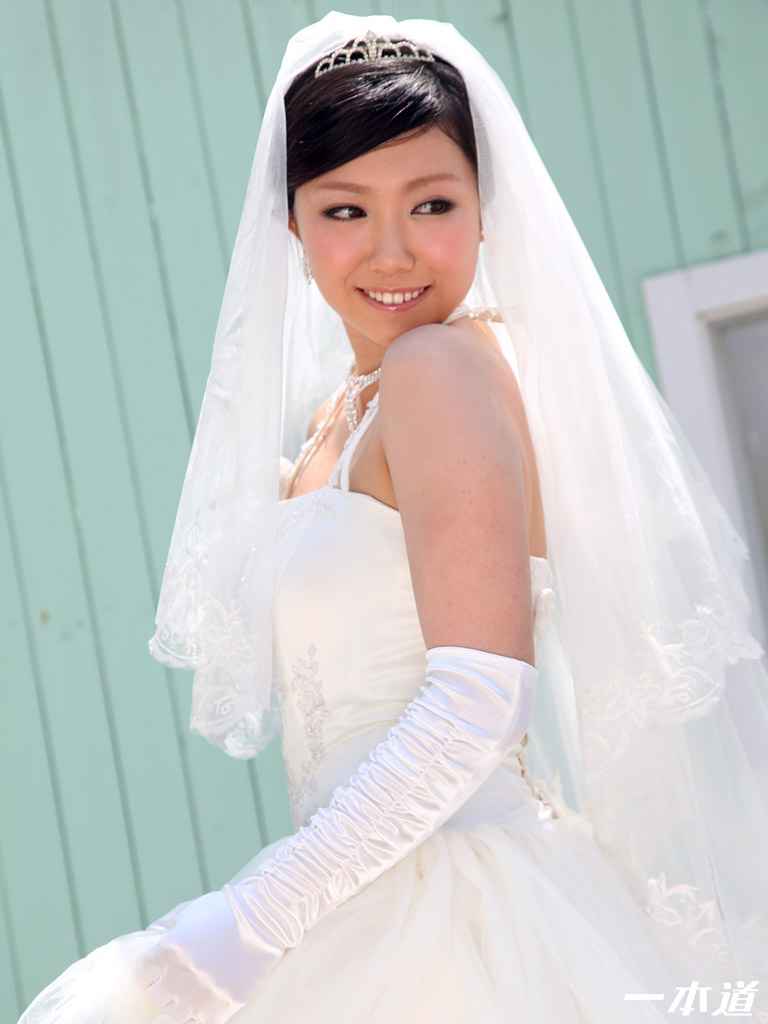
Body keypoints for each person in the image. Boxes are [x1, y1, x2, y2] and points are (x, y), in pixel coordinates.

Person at [17, 12, 768, 1024]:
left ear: (486, 209)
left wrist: (253, 917)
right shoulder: (337, 420)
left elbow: (478, 699)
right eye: (345, 210)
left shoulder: (438, 368)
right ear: (290, 226)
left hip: (455, 920)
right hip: (358, 899)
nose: (393, 250)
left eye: (433, 203)